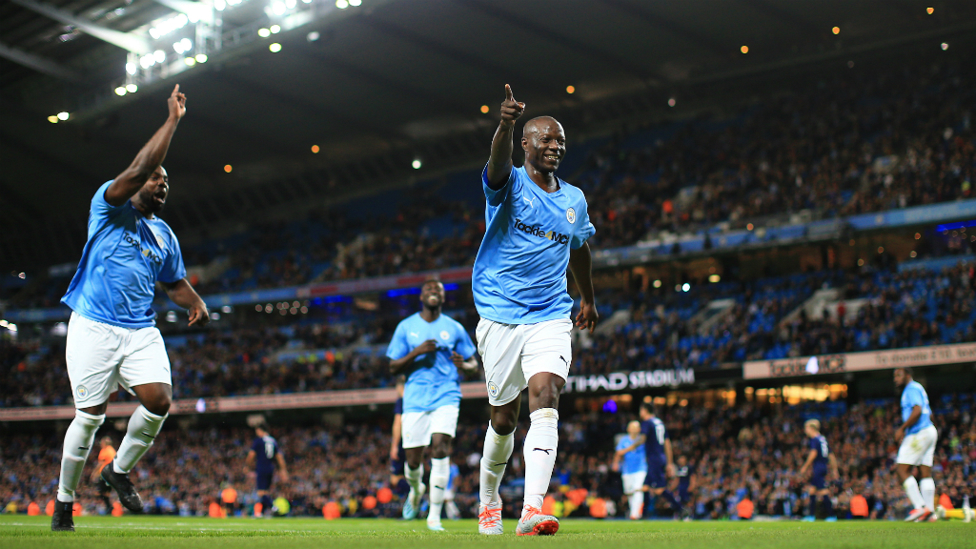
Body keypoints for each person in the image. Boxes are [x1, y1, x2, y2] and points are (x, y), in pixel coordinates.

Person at [52, 84, 209, 532]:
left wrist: (194, 300)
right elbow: (141, 166)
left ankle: (117, 471)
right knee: (90, 417)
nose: (163, 185)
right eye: (158, 178)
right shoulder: (108, 207)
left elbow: (174, 283)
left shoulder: (164, 234)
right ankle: (65, 502)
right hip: (94, 326)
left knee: (159, 401)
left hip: (140, 330)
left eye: (166, 183)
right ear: (140, 182)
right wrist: (173, 121)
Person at [474, 84, 598, 537]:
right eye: (545, 139)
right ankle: (489, 502)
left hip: (550, 314)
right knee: (503, 419)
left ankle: (531, 509)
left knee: (545, 397)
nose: (554, 146)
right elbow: (497, 163)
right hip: (499, 316)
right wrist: (505, 124)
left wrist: (586, 297)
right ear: (526, 144)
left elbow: (580, 248)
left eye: (559, 140)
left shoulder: (574, 199)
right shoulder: (507, 185)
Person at [386, 279, 478, 531]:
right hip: (415, 399)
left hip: (446, 395)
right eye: (428, 289)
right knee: (413, 461)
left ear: (443, 297)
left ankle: (434, 517)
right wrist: (415, 352)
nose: (433, 292)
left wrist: (464, 365)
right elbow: (393, 366)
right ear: (421, 297)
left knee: (440, 448)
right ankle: (416, 491)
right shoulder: (406, 327)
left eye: (438, 289)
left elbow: (473, 365)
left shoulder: (454, 328)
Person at [618, 403, 683, 517]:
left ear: (644, 410)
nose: (640, 413)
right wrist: (669, 462)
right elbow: (667, 443)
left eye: (641, 410)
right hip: (660, 457)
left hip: (654, 459)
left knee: (659, 489)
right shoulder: (659, 423)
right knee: (645, 487)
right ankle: (643, 515)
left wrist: (628, 449)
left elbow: (642, 439)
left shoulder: (647, 423)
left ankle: (682, 510)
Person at [893, 367, 939, 522]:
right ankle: (930, 513)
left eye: (899, 375)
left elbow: (917, 410)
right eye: (895, 376)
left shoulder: (911, 389)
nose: (896, 379)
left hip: (919, 432)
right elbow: (928, 412)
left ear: (908, 375)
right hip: (929, 430)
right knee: (925, 473)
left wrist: (902, 428)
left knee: (901, 470)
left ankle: (920, 507)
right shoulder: (919, 387)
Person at [798, 419, 838, 520]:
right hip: (823, 466)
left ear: (811, 428)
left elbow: (813, 453)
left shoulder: (814, 439)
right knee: (812, 490)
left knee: (824, 491)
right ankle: (811, 516)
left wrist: (805, 466)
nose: (805, 431)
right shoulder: (823, 439)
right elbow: (831, 455)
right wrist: (834, 469)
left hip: (818, 467)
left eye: (806, 428)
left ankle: (832, 516)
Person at [245, 422, 288, 517]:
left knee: (260, 492)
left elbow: (251, 455)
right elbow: (279, 457)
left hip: (262, 467)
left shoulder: (259, 441)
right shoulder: (273, 441)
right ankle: (261, 513)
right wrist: (283, 469)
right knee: (266, 492)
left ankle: (274, 508)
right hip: (270, 467)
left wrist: (247, 465)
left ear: (260, 430)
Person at [612, 421, 647, 520]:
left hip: (640, 469)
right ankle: (635, 512)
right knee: (629, 492)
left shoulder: (642, 439)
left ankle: (634, 514)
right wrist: (615, 463)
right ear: (628, 429)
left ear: (639, 429)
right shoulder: (624, 440)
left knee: (638, 489)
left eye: (636, 427)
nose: (634, 429)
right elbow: (619, 452)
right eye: (632, 427)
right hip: (627, 470)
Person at [389, 377, 408, 497]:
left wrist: (394, 445)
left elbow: (398, 422)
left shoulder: (401, 401)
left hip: (403, 441)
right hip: (415, 441)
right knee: (412, 473)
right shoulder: (416, 402)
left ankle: (406, 503)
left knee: (395, 478)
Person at [89, 437, 116, 512]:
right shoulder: (112, 450)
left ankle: (108, 506)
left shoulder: (105, 450)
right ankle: (109, 507)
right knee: (106, 492)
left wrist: (94, 473)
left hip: (105, 473)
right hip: (112, 473)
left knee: (99, 491)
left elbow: (100, 463)